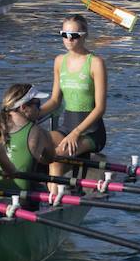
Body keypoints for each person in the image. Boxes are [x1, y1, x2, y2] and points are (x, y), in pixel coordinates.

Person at [35, 14, 108, 160]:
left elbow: (100, 108)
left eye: (74, 35)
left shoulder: (95, 63)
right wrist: (34, 114)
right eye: (64, 34)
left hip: (91, 131)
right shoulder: (59, 61)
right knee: (37, 143)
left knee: (57, 156)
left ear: (84, 35)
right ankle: (52, 184)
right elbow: (55, 100)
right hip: (66, 127)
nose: (69, 39)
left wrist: (76, 133)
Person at [0, 84, 57, 192]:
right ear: (23, 107)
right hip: (21, 201)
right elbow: (49, 159)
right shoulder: (38, 132)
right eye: (37, 104)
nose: (39, 109)